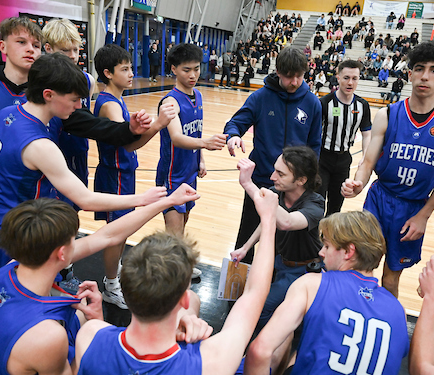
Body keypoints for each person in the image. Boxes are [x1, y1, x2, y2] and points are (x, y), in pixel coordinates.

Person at [0, 53, 167, 288]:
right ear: (48, 95)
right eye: (74, 99)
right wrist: (142, 199)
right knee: (24, 306)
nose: (79, 106)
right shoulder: (39, 146)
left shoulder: (5, 114)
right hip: (11, 238)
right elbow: (86, 199)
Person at [0, 188, 202, 375]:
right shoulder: (48, 336)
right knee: (90, 325)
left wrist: (167, 201)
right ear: (62, 253)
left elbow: (108, 235)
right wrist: (94, 328)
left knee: (79, 312)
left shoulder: (5, 271)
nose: (78, 242)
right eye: (74, 239)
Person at [74, 184, 279, 375]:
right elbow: (254, 293)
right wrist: (268, 221)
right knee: (275, 351)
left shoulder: (90, 335)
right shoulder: (209, 366)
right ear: (183, 299)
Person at [0, 17, 153, 217]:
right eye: (21, 42)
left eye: (36, 45)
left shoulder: (53, 94)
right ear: (2, 46)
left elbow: (90, 124)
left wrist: (128, 129)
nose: (30, 49)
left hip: (42, 201)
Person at [341, 40, 434, 298]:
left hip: (413, 207)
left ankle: (386, 319)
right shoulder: (387, 114)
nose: (425, 76)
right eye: (419, 68)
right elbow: (368, 162)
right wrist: (358, 183)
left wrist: (424, 215)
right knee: (360, 267)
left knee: (391, 278)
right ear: (409, 73)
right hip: (379, 199)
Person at [243, 210, 409, 375]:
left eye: (327, 246)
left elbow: (259, 351)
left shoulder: (312, 284)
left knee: (292, 339)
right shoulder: (398, 311)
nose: (321, 252)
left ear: (348, 252)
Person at [93, 44, 175, 308]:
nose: (131, 73)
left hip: (123, 174)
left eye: (130, 68)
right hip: (114, 175)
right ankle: (110, 284)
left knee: (122, 231)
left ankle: (114, 271)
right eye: (124, 69)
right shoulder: (109, 105)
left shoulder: (116, 99)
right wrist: (159, 124)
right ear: (108, 73)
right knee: (116, 233)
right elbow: (128, 144)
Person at [224, 46, 322, 264]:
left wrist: (307, 180)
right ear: (278, 72)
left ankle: (275, 279)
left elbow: (315, 146)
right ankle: (239, 280)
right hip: (261, 180)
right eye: (289, 76)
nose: (295, 82)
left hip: (294, 188)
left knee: (283, 240)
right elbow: (235, 123)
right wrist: (233, 135)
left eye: (299, 76)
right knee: (248, 234)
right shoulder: (260, 98)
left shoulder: (312, 103)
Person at [231, 147, 324, 334]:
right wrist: (245, 248)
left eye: (281, 174)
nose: (272, 177)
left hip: (303, 270)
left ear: (301, 180)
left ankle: (283, 338)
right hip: (280, 263)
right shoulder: (276, 193)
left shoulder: (315, 203)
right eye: (275, 170)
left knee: (261, 309)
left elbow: (286, 222)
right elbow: (268, 221)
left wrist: (248, 184)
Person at [156, 43, 227, 243]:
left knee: (183, 225)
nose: (193, 75)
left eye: (196, 69)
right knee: (174, 237)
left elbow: (196, 131)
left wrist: (201, 160)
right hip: (172, 175)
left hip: (190, 172)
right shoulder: (170, 102)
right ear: (174, 69)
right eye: (186, 70)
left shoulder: (198, 95)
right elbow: (177, 137)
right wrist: (205, 143)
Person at [42, 17, 97, 215]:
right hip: (51, 158)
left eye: (76, 49)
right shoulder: (39, 83)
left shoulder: (87, 81)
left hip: (78, 154)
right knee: (52, 214)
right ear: (48, 48)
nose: (73, 56)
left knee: (75, 209)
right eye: (65, 50)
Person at [318, 60, 371, 216]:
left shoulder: (362, 105)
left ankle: (329, 232)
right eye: (346, 77)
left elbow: (366, 133)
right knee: (317, 202)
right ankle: (314, 232)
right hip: (322, 159)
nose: (350, 82)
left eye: (354, 78)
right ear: (338, 77)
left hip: (343, 160)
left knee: (336, 205)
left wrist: (365, 157)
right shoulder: (324, 103)